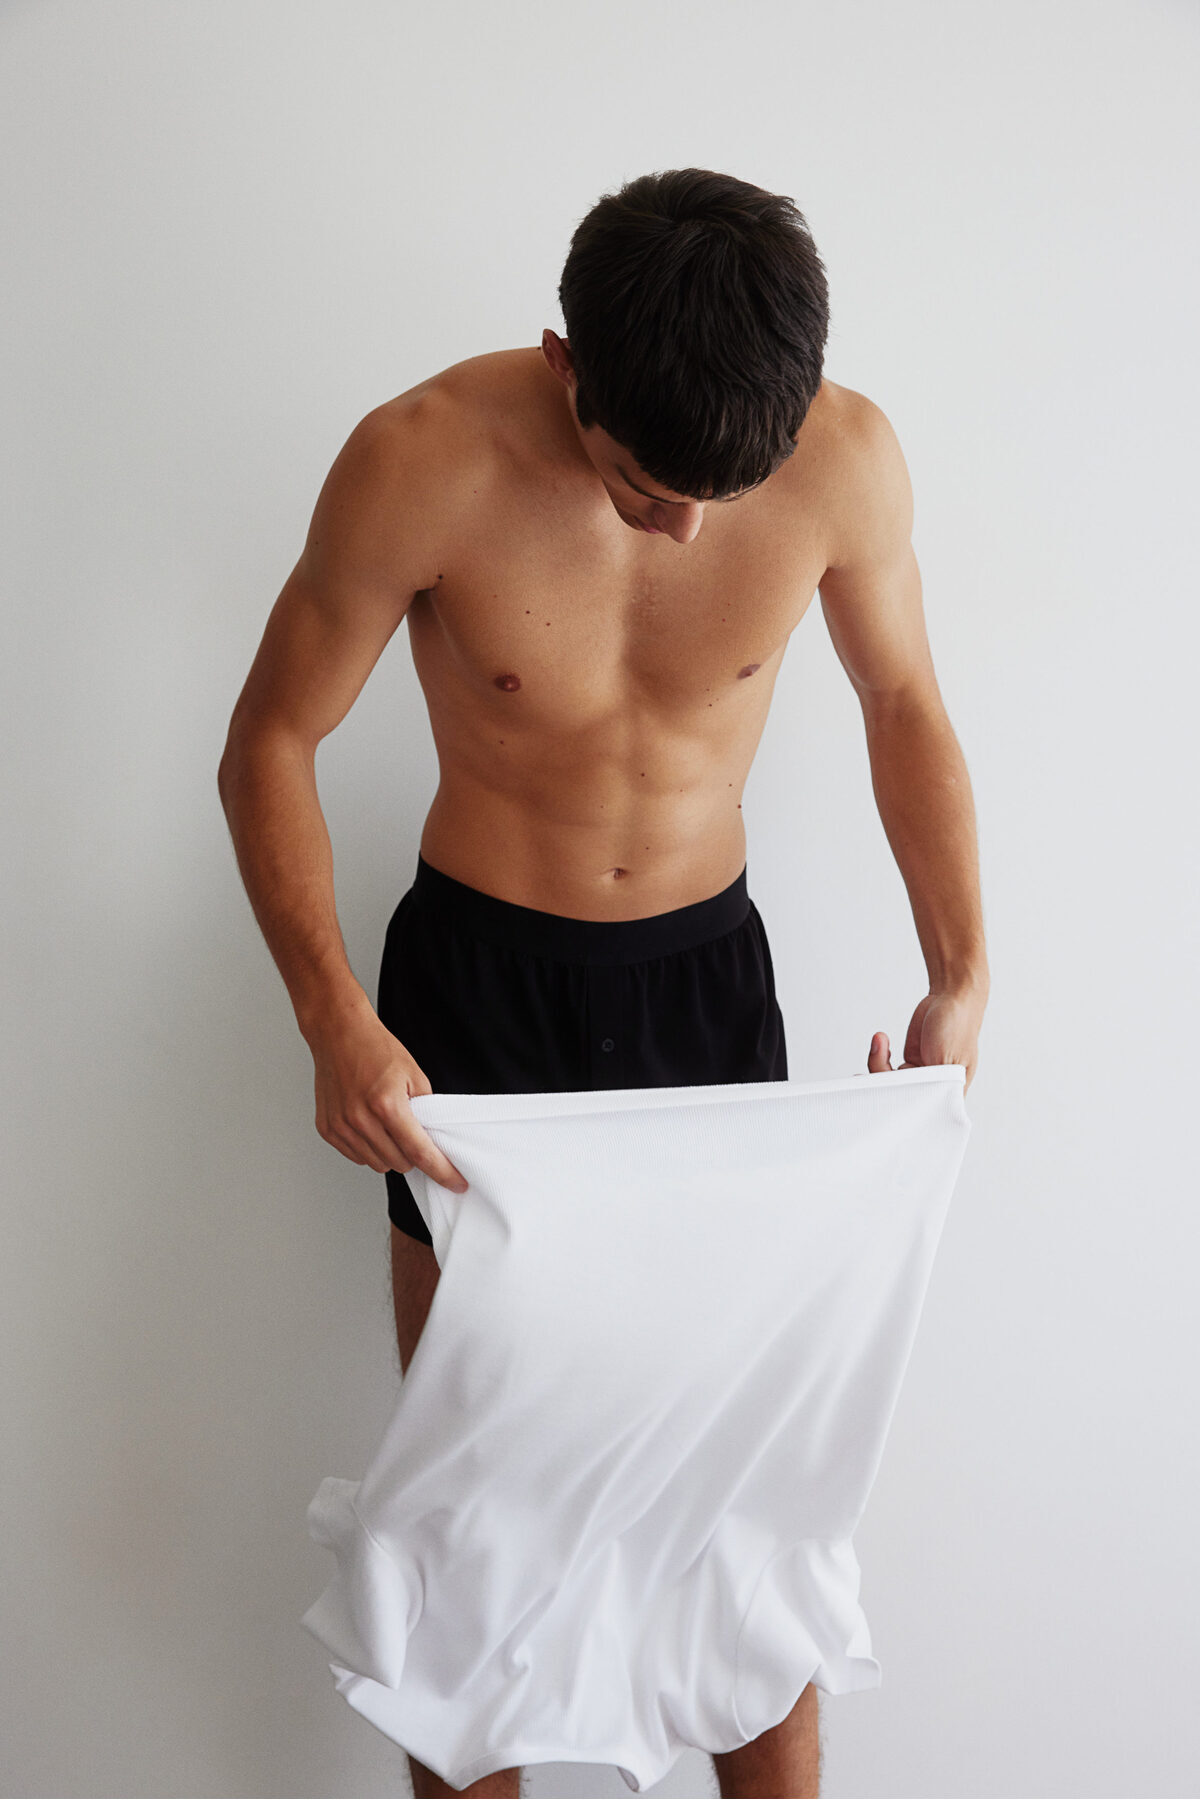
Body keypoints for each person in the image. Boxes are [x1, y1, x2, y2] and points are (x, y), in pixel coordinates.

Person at [218, 167, 989, 1800]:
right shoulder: (420, 458)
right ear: (566, 368)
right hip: (478, 1011)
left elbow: (904, 701)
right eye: (647, 488)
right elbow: (271, 740)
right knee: (475, 1530)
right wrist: (332, 1016)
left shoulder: (845, 457)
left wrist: (962, 972)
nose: (691, 531)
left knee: (738, 1521)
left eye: (726, 490)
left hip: (708, 997)